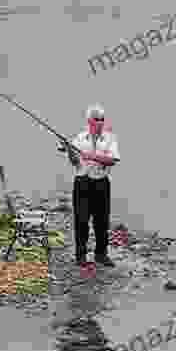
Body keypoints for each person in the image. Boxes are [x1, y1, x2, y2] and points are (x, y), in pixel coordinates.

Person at [59, 105, 120, 267]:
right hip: (82, 182)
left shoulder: (110, 138)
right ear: (89, 121)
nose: (100, 123)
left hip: (101, 183)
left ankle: (101, 254)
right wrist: (70, 150)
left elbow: (112, 160)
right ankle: (80, 256)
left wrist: (92, 156)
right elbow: (74, 162)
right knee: (81, 220)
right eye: (96, 119)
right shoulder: (79, 138)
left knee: (102, 221)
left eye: (102, 119)